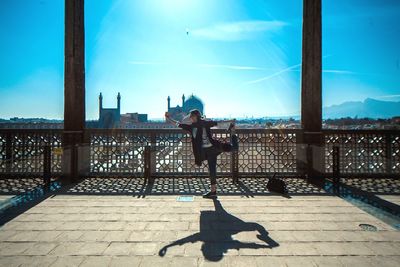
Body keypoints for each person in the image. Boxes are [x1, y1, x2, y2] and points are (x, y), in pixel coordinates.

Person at [165, 109, 238, 198]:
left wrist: (230, 121)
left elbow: (217, 123)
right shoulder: (192, 127)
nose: (190, 118)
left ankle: (233, 133)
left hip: (214, 147)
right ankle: (213, 191)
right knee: (212, 170)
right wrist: (168, 118)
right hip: (206, 151)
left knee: (234, 148)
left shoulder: (204, 123)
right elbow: (178, 124)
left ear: (196, 116)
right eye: (190, 116)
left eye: (191, 116)